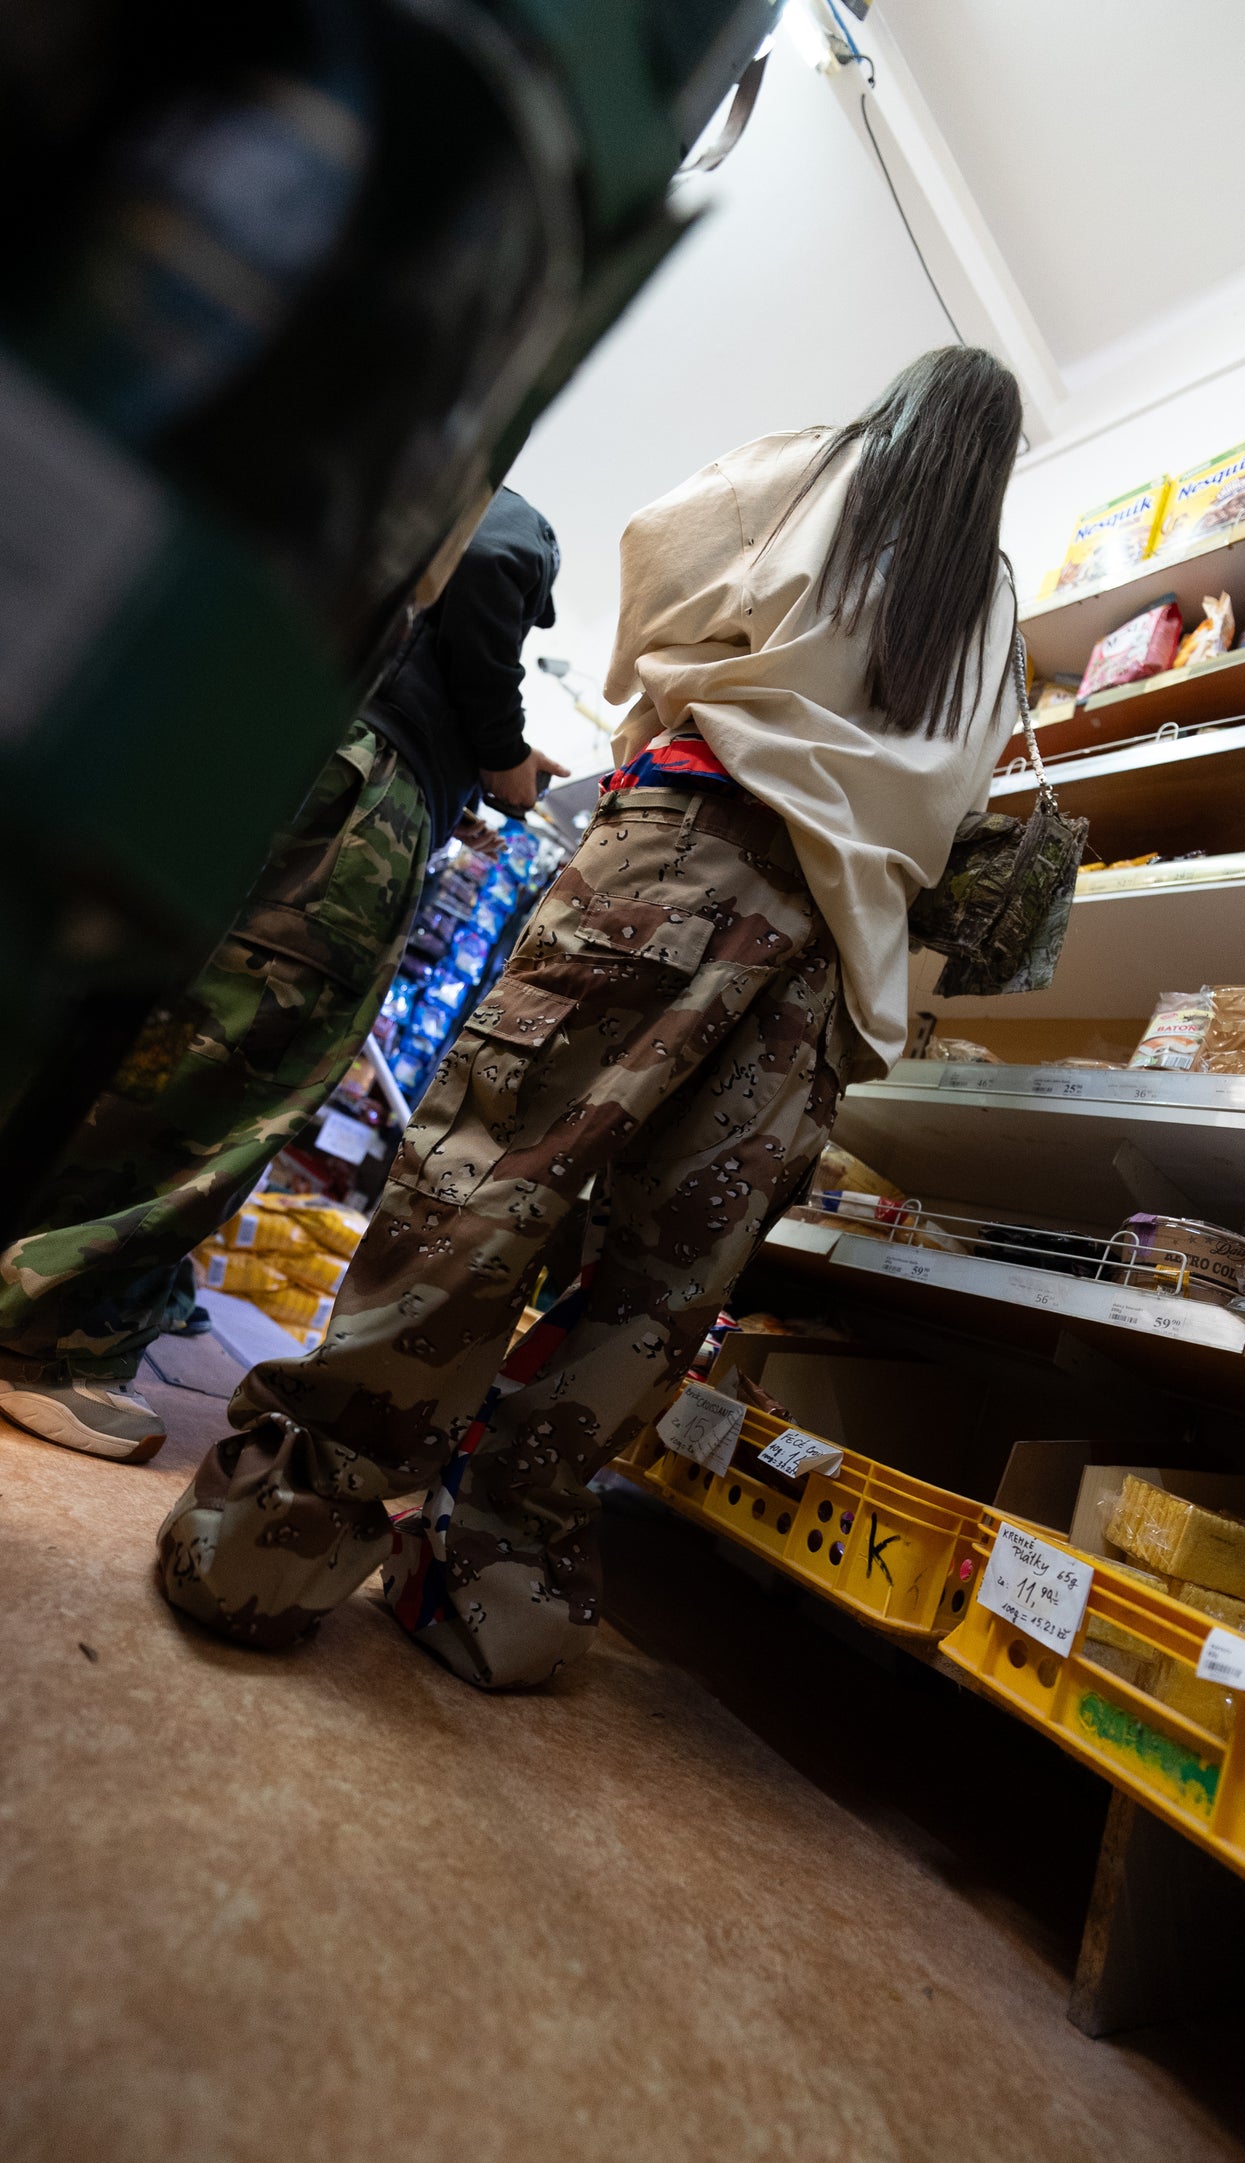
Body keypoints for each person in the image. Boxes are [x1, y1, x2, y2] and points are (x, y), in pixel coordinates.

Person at [158, 346, 1022, 1687]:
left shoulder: (813, 471)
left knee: (489, 1177)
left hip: (684, 856)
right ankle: (493, 1590)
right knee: (660, 1285)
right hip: (833, 962)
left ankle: (271, 1543)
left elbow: (657, 556)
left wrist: (673, 690)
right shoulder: (995, 604)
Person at [0, 489, 563, 1464]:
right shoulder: (506, 510)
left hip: (292, 747)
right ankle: (45, 1336)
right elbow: (490, 554)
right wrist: (502, 753)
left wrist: (456, 775)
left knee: (158, 1023)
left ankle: (66, 1292)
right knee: (235, 1062)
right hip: (355, 803)